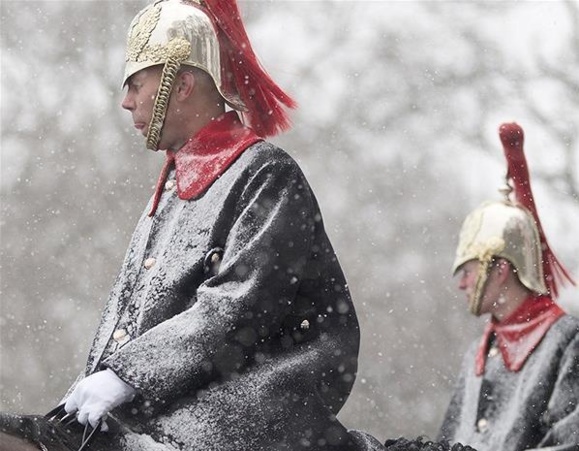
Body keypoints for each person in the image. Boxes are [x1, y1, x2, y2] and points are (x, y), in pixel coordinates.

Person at [0, 0, 393, 450]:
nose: (126, 101)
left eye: (135, 82)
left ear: (182, 83)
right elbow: (131, 320)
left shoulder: (264, 173)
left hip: (245, 420)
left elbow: (237, 307)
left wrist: (128, 376)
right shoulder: (170, 189)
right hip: (164, 411)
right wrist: (97, 385)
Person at [437, 123, 579, 451]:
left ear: (500, 269)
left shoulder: (567, 340)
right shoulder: (479, 351)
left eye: (468, 271)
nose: (462, 284)